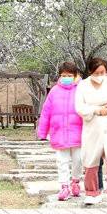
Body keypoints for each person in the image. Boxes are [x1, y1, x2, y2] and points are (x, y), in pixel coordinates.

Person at [75, 56, 107, 206]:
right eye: (96, 73)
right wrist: (96, 110)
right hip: (92, 127)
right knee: (91, 160)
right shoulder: (83, 86)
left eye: (102, 72)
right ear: (90, 72)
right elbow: (79, 107)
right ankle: (92, 193)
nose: (100, 76)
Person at [36, 61, 84, 201]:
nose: (66, 77)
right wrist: (42, 132)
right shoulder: (54, 91)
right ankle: (64, 187)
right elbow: (46, 113)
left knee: (78, 160)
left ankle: (75, 181)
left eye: (69, 75)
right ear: (59, 76)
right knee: (62, 162)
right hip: (59, 133)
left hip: (78, 133)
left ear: (75, 75)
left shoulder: (82, 90)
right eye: (63, 75)